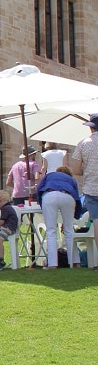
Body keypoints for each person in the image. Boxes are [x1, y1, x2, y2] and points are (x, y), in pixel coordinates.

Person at [36, 165, 80, 268]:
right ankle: (75, 262)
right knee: (69, 231)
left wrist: (41, 203)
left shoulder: (50, 175)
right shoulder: (71, 180)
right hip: (68, 196)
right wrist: (76, 215)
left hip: (49, 195)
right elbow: (77, 197)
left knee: (51, 230)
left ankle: (52, 264)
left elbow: (39, 188)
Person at [71, 113, 98, 267]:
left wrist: (86, 170)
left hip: (91, 188)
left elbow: (76, 170)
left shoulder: (83, 143)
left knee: (96, 222)